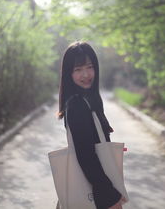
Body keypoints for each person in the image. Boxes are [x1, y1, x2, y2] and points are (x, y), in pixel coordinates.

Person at [57, 41, 126, 209]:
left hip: (96, 186)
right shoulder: (77, 105)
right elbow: (86, 156)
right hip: (98, 190)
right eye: (78, 70)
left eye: (89, 67)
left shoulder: (89, 98)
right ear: (69, 74)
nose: (86, 75)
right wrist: (110, 195)